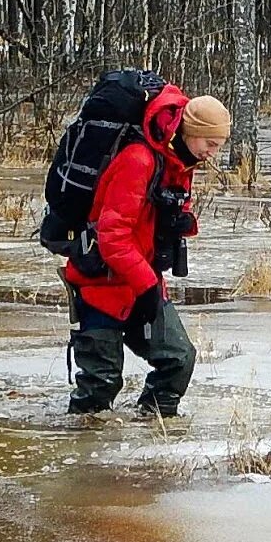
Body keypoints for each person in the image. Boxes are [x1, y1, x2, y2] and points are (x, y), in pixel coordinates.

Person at [64, 89, 231, 417]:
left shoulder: (180, 163)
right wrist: (147, 287)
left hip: (142, 282)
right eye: (210, 144)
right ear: (191, 132)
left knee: (179, 359)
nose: (214, 153)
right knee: (101, 383)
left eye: (219, 146)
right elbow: (112, 236)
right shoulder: (139, 160)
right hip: (100, 285)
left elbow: (150, 221)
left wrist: (181, 222)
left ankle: (155, 427)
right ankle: (81, 448)